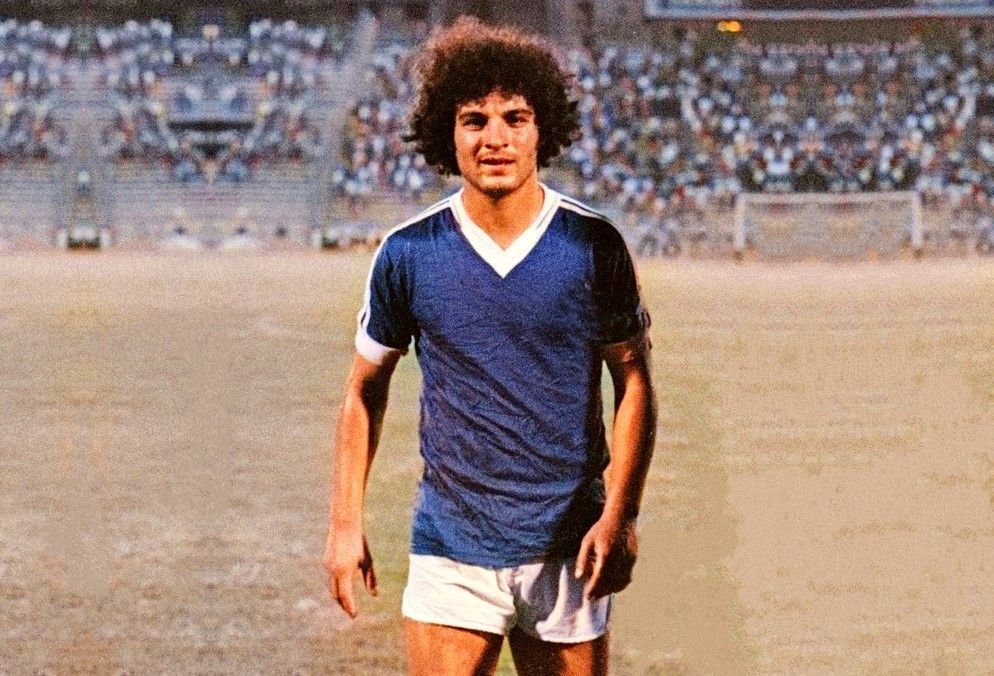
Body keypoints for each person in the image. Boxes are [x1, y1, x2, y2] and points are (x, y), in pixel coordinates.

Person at [324, 17, 657, 676]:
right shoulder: (408, 252)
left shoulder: (594, 246)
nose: (495, 138)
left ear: (542, 130)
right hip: (452, 545)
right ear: (447, 133)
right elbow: (364, 391)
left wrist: (620, 515)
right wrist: (343, 524)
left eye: (515, 118)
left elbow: (635, 382)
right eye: (474, 120)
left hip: (569, 545)